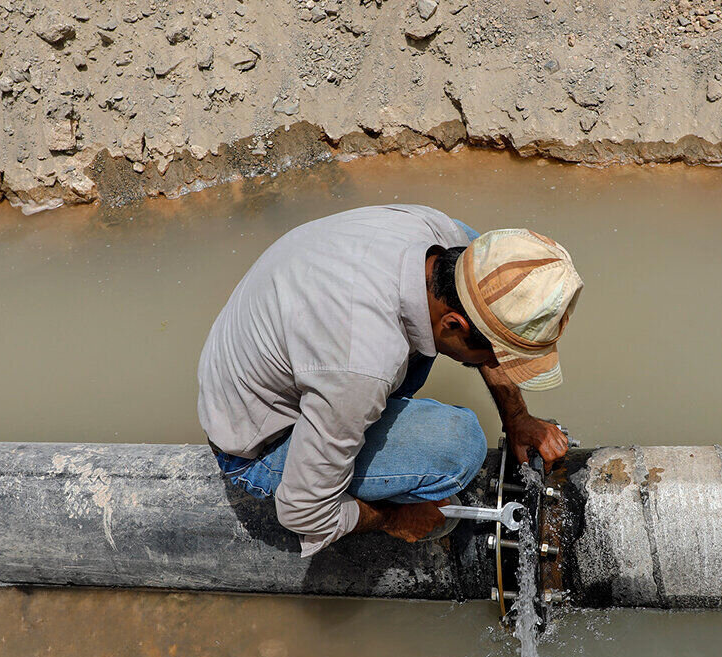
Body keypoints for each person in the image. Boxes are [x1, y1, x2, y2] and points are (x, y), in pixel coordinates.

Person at [197, 205, 583, 555]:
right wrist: (392, 519)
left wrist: (516, 418)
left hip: (285, 347)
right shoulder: (360, 364)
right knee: (458, 447)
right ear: (454, 323)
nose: (503, 367)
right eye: (500, 357)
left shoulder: (445, 239)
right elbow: (302, 511)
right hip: (259, 441)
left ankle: (342, 427)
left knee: (469, 240)